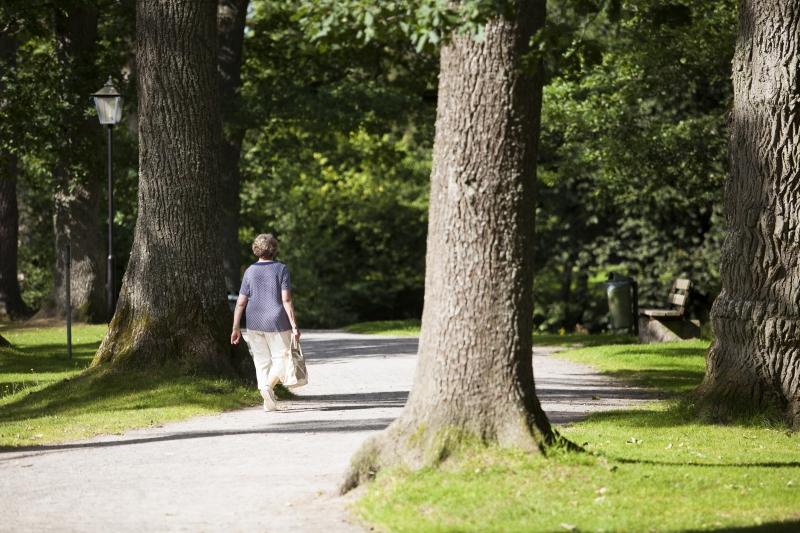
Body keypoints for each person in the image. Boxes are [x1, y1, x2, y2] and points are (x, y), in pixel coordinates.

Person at [231, 233, 300, 411]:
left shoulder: (249, 271)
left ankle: (267, 400)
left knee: (261, 362)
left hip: (253, 321)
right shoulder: (281, 269)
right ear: (274, 249)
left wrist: (236, 327)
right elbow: (286, 300)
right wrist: (294, 326)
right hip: (277, 321)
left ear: (256, 250)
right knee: (284, 359)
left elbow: (240, 301)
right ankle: (268, 388)